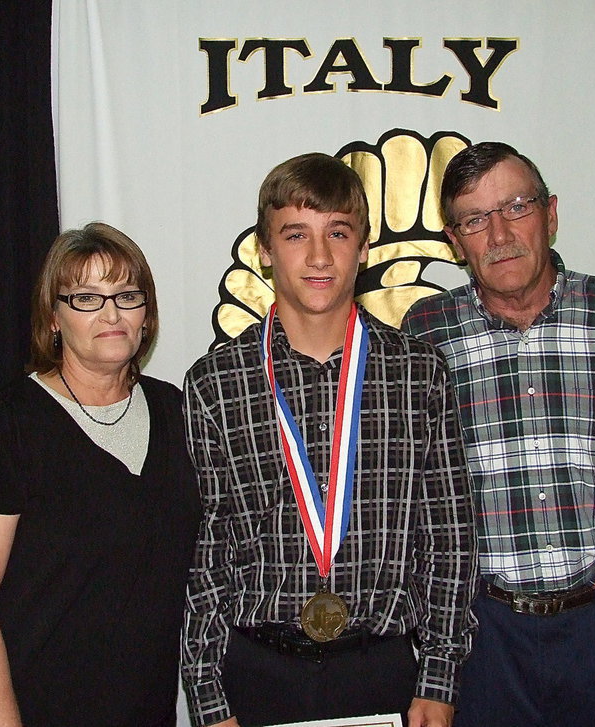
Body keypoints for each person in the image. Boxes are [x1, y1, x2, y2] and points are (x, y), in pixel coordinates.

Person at [181, 153, 477, 727]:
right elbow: (206, 553)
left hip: (385, 670)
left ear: (363, 247)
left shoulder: (419, 373)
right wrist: (208, 697)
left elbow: (449, 537)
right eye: (296, 235)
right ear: (265, 253)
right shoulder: (215, 383)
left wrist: (440, 678)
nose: (319, 256)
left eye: (337, 233)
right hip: (256, 669)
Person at [402, 141, 595, 727]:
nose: (500, 234)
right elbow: (414, 475)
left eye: (517, 207)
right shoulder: (425, 333)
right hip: (479, 635)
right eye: (475, 219)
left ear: (550, 214)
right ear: (455, 242)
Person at [0, 222, 202, 727]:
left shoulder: (179, 413)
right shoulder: (1, 428)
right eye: (86, 298)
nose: (111, 313)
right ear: (53, 318)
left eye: (127, 295)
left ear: (147, 315)